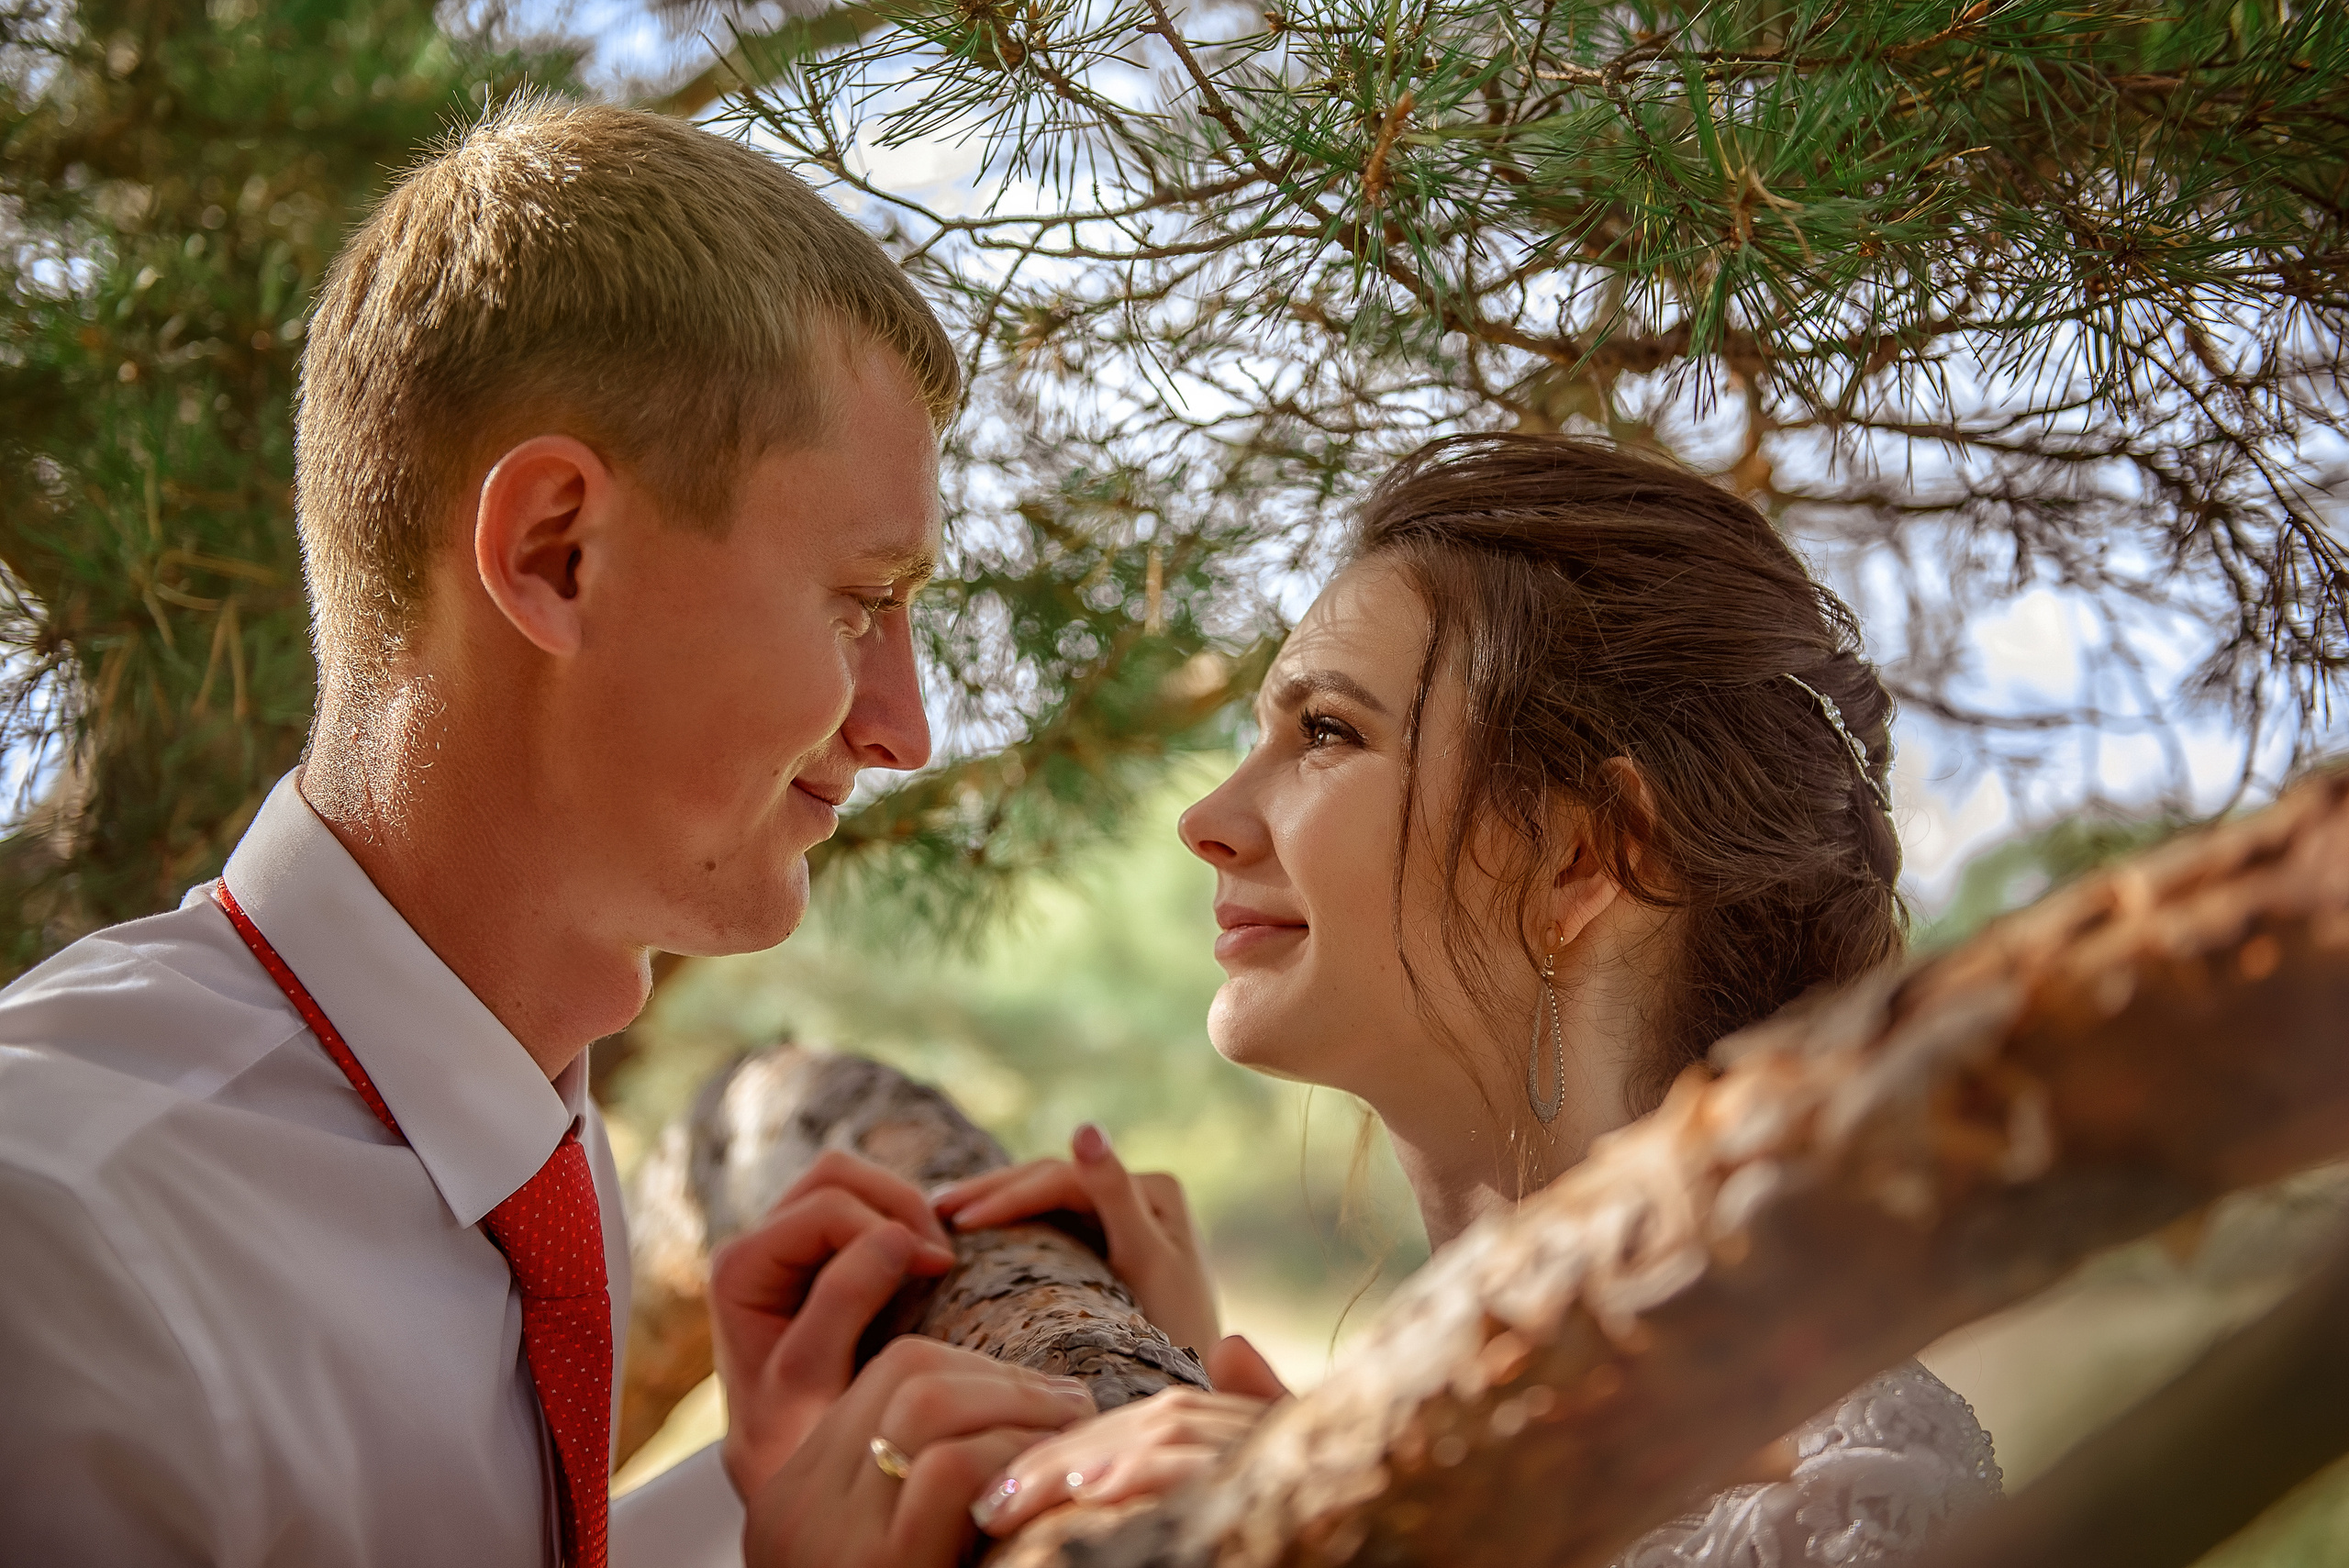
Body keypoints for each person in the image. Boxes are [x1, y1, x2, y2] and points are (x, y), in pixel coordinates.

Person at [0, 97, 1086, 1567]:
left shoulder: (520, 1142)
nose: (905, 726)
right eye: (858, 600)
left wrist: (761, 1490)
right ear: (552, 555)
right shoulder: (60, 1238)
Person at [932, 433, 2007, 1563]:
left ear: (1579, 859)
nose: (1204, 814)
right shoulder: (1426, 1405)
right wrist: (1171, 1358)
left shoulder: (1847, 1491)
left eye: (1326, 731)